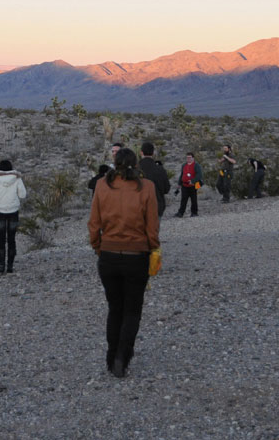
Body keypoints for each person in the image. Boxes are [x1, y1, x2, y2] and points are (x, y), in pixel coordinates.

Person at [87, 148, 160, 378]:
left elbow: (93, 223)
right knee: (132, 310)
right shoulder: (146, 187)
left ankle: (111, 357)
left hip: (108, 255)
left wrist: (99, 246)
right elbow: (152, 225)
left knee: (115, 308)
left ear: (115, 162)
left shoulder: (101, 185)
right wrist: (152, 247)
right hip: (136, 255)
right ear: (135, 164)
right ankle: (122, 357)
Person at [0, 160, 27, 274]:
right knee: (11, 239)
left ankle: (1, 267)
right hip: (13, 212)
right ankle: (10, 266)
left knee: (1, 240)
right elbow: (23, 195)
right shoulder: (17, 179)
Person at [139, 142, 171, 217]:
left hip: (139, 208)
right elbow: (166, 189)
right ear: (153, 153)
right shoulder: (160, 169)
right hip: (156, 207)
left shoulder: (136, 169)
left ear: (141, 152)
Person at [174, 152, 202, 218]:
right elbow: (182, 175)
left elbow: (199, 175)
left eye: (189, 157)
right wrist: (179, 184)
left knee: (194, 199)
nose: (188, 159)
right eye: (187, 157)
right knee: (183, 199)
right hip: (184, 185)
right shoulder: (184, 165)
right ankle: (180, 213)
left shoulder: (196, 165)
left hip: (193, 185)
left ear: (193, 158)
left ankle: (194, 213)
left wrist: (192, 181)